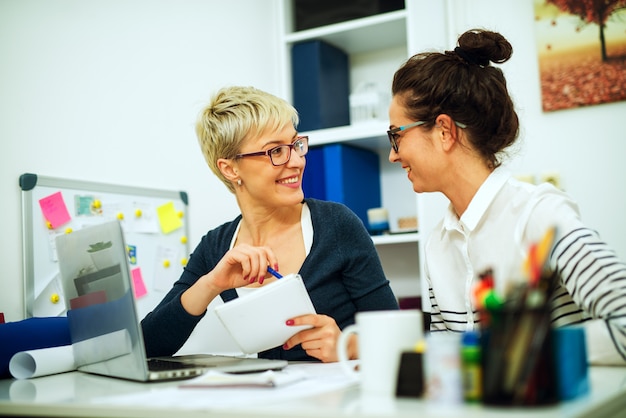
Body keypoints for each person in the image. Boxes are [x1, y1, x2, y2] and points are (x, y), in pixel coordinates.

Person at [387, 29, 626, 365]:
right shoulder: (437, 246)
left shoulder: (540, 217)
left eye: (396, 136)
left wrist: (524, 346)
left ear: (444, 131)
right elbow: (451, 367)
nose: (392, 156)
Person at [141, 86, 399, 362]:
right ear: (230, 169)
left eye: (296, 145)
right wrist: (211, 284)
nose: (297, 160)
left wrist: (349, 346)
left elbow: (399, 338)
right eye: (276, 151)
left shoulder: (336, 224)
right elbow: (147, 344)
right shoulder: (217, 246)